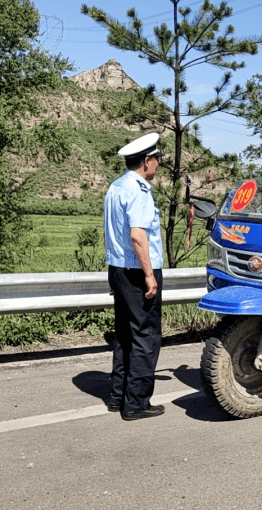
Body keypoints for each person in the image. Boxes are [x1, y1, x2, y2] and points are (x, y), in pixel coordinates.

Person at [103, 132, 166, 421]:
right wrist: (150, 275)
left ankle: (118, 396)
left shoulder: (116, 187)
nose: (158, 166)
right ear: (147, 161)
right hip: (138, 272)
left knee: (125, 335)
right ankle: (137, 402)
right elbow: (138, 237)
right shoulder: (138, 190)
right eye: (157, 160)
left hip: (117, 269)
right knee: (146, 336)